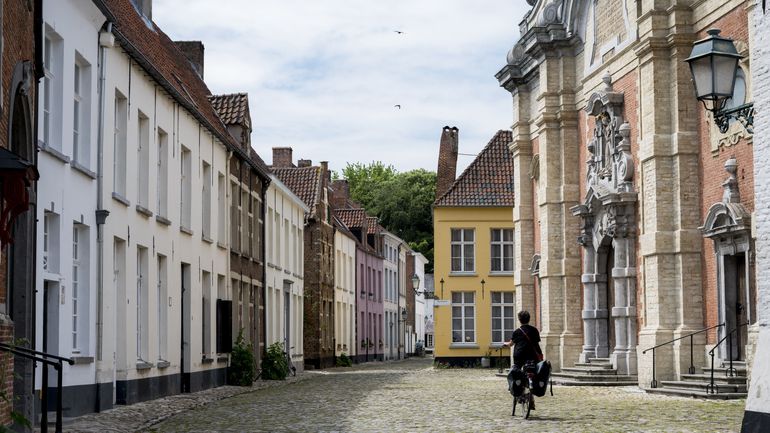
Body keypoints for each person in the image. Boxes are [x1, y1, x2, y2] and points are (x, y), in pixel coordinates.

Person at [503, 310, 543, 409]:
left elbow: (511, 344)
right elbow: (537, 342)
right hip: (533, 356)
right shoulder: (534, 330)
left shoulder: (517, 332)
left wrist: (506, 344)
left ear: (519, 320)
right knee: (533, 373)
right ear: (529, 319)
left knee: (516, 371)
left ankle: (519, 393)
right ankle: (531, 395)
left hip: (519, 356)